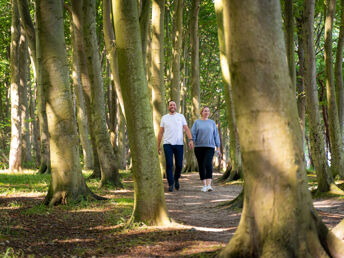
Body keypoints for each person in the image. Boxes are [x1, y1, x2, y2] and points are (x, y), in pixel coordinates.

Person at [157, 100, 194, 192]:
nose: (172, 106)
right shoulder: (164, 118)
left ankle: (176, 178)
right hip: (167, 144)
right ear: (168, 107)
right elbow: (160, 132)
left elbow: (186, 129)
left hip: (179, 144)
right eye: (170, 105)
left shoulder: (181, 117)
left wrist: (190, 140)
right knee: (169, 164)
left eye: (174, 105)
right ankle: (170, 183)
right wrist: (158, 146)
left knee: (179, 165)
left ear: (176, 107)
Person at [191, 106, 220, 192]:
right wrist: (192, 142)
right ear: (201, 112)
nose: (206, 112)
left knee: (208, 164)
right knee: (201, 165)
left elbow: (216, 135)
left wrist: (218, 147)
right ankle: (204, 185)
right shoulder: (197, 122)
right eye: (205, 111)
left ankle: (209, 185)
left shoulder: (212, 123)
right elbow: (193, 134)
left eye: (208, 111)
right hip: (199, 147)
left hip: (210, 147)